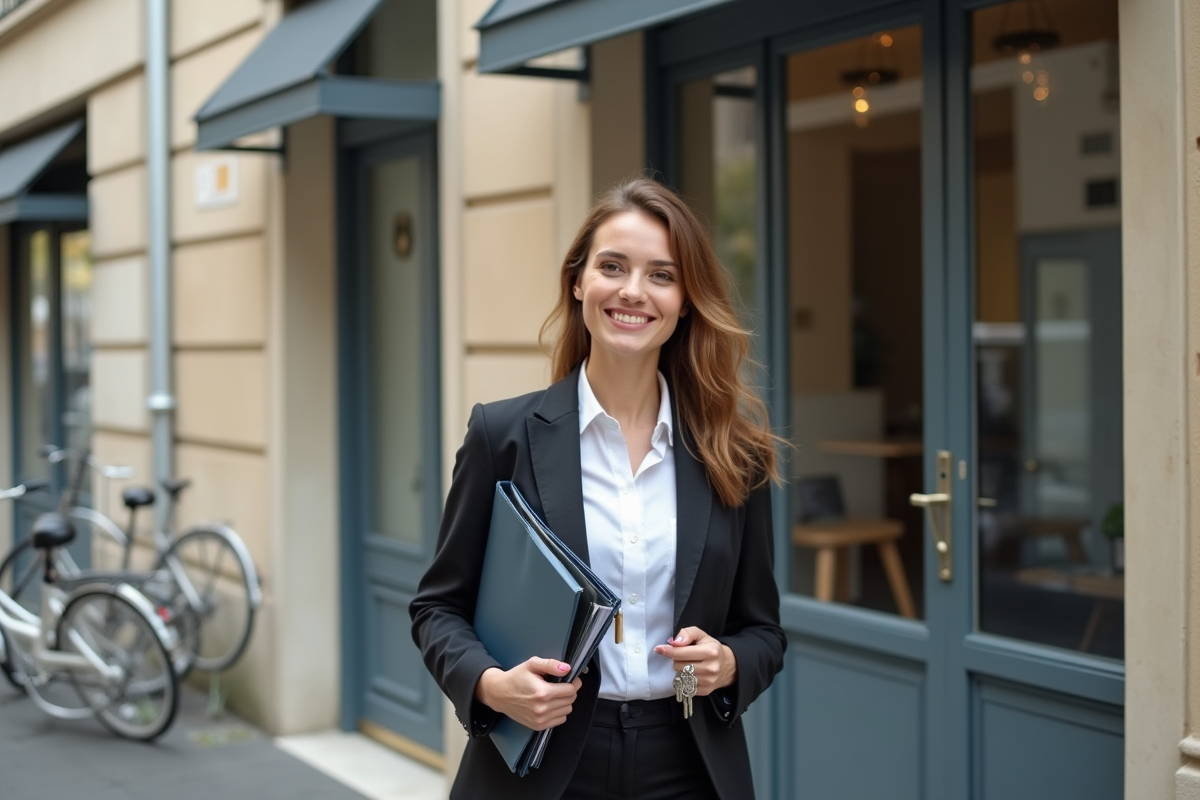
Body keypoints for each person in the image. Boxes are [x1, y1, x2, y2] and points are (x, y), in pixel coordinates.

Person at [410, 177, 786, 800]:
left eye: (661, 275)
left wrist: (728, 665)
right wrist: (490, 685)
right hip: (542, 766)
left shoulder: (733, 454)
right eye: (613, 267)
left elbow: (763, 631)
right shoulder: (501, 435)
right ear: (579, 282)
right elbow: (437, 607)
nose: (634, 291)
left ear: (686, 300)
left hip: (688, 763)